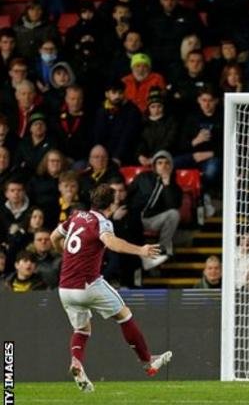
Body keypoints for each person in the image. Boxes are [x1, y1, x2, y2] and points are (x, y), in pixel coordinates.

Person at [51, 184, 172, 392]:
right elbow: (112, 243)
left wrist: (67, 256)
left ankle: (76, 362)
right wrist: (140, 250)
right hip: (88, 284)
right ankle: (148, 362)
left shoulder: (76, 216)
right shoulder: (102, 222)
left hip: (65, 287)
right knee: (124, 315)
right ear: (112, 203)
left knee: (81, 329)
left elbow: (54, 237)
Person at [127, 150, 181, 269]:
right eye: (160, 163)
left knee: (174, 214)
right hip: (135, 216)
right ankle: (142, 257)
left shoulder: (174, 187)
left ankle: (161, 250)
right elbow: (128, 193)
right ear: (154, 166)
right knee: (131, 218)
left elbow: (172, 206)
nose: (163, 166)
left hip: (153, 220)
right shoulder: (143, 177)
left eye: (167, 163)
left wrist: (167, 184)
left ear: (171, 166)